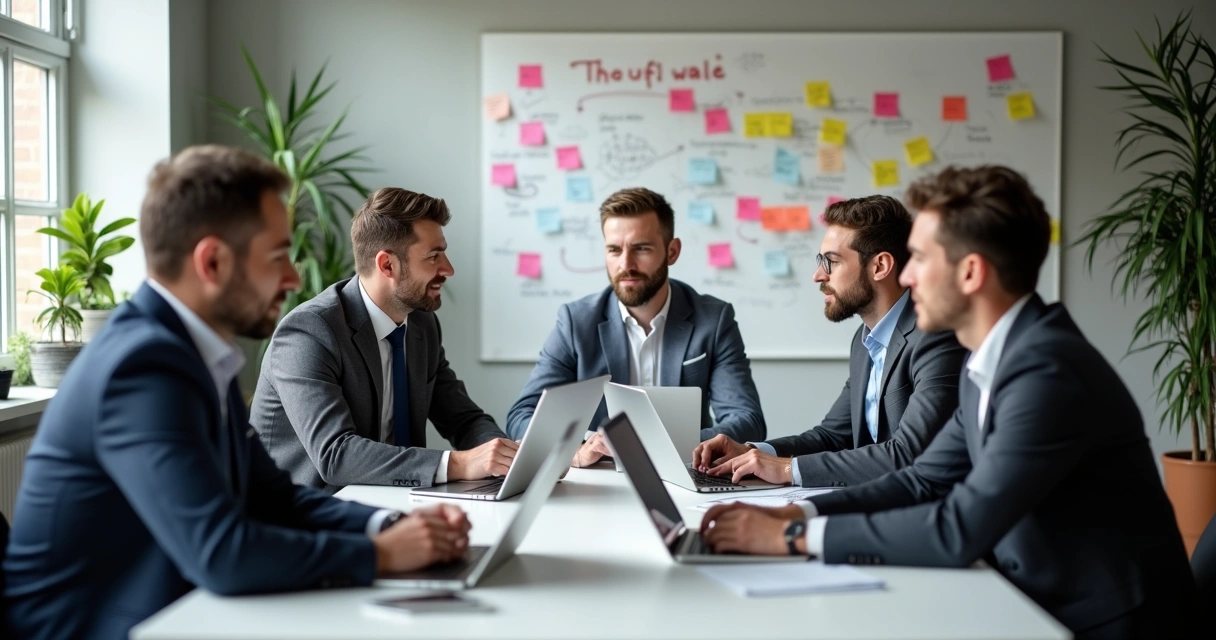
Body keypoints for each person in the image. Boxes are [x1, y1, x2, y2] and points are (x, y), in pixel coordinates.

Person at [701, 165, 1199, 639]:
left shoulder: (1047, 371)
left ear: (970, 273)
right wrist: (797, 517)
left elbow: (958, 526)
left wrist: (793, 541)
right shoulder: (999, 357)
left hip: (1102, 620)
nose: (908, 278)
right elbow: (923, 478)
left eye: (920, 259)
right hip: (1030, 597)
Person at [3, 146, 472, 640]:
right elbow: (221, 553)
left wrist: (391, 525)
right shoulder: (140, 367)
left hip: (176, 610)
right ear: (212, 262)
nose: (293, 279)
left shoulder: (196, 353)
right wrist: (381, 555)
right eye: (276, 257)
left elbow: (273, 499)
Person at [251, 187, 514, 493]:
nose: (448, 269)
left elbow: (463, 419)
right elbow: (336, 455)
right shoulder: (309, 332)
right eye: (433, 256)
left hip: (392, 502)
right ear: (387, 265)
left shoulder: (421, 325)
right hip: (306, 517)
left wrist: (507, 456)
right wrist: (460, 464)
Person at [693, 195, 965, 487]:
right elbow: (833, 436)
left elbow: (909, 454)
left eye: (832, 262)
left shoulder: (936, 336)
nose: (818, 275)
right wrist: (752, 451)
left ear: (880, 266)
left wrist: (786, 469)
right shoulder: (863, 342)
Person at [505, 187, 765, 465]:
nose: (626, 264)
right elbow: (523, 416)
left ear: (672, 251)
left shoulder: (713, 319)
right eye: (614, 250)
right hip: (599, 480)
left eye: (641, 248)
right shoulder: (576, 321)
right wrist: (579, 449)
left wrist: (658, 445)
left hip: (686, 473)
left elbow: (747, 420)